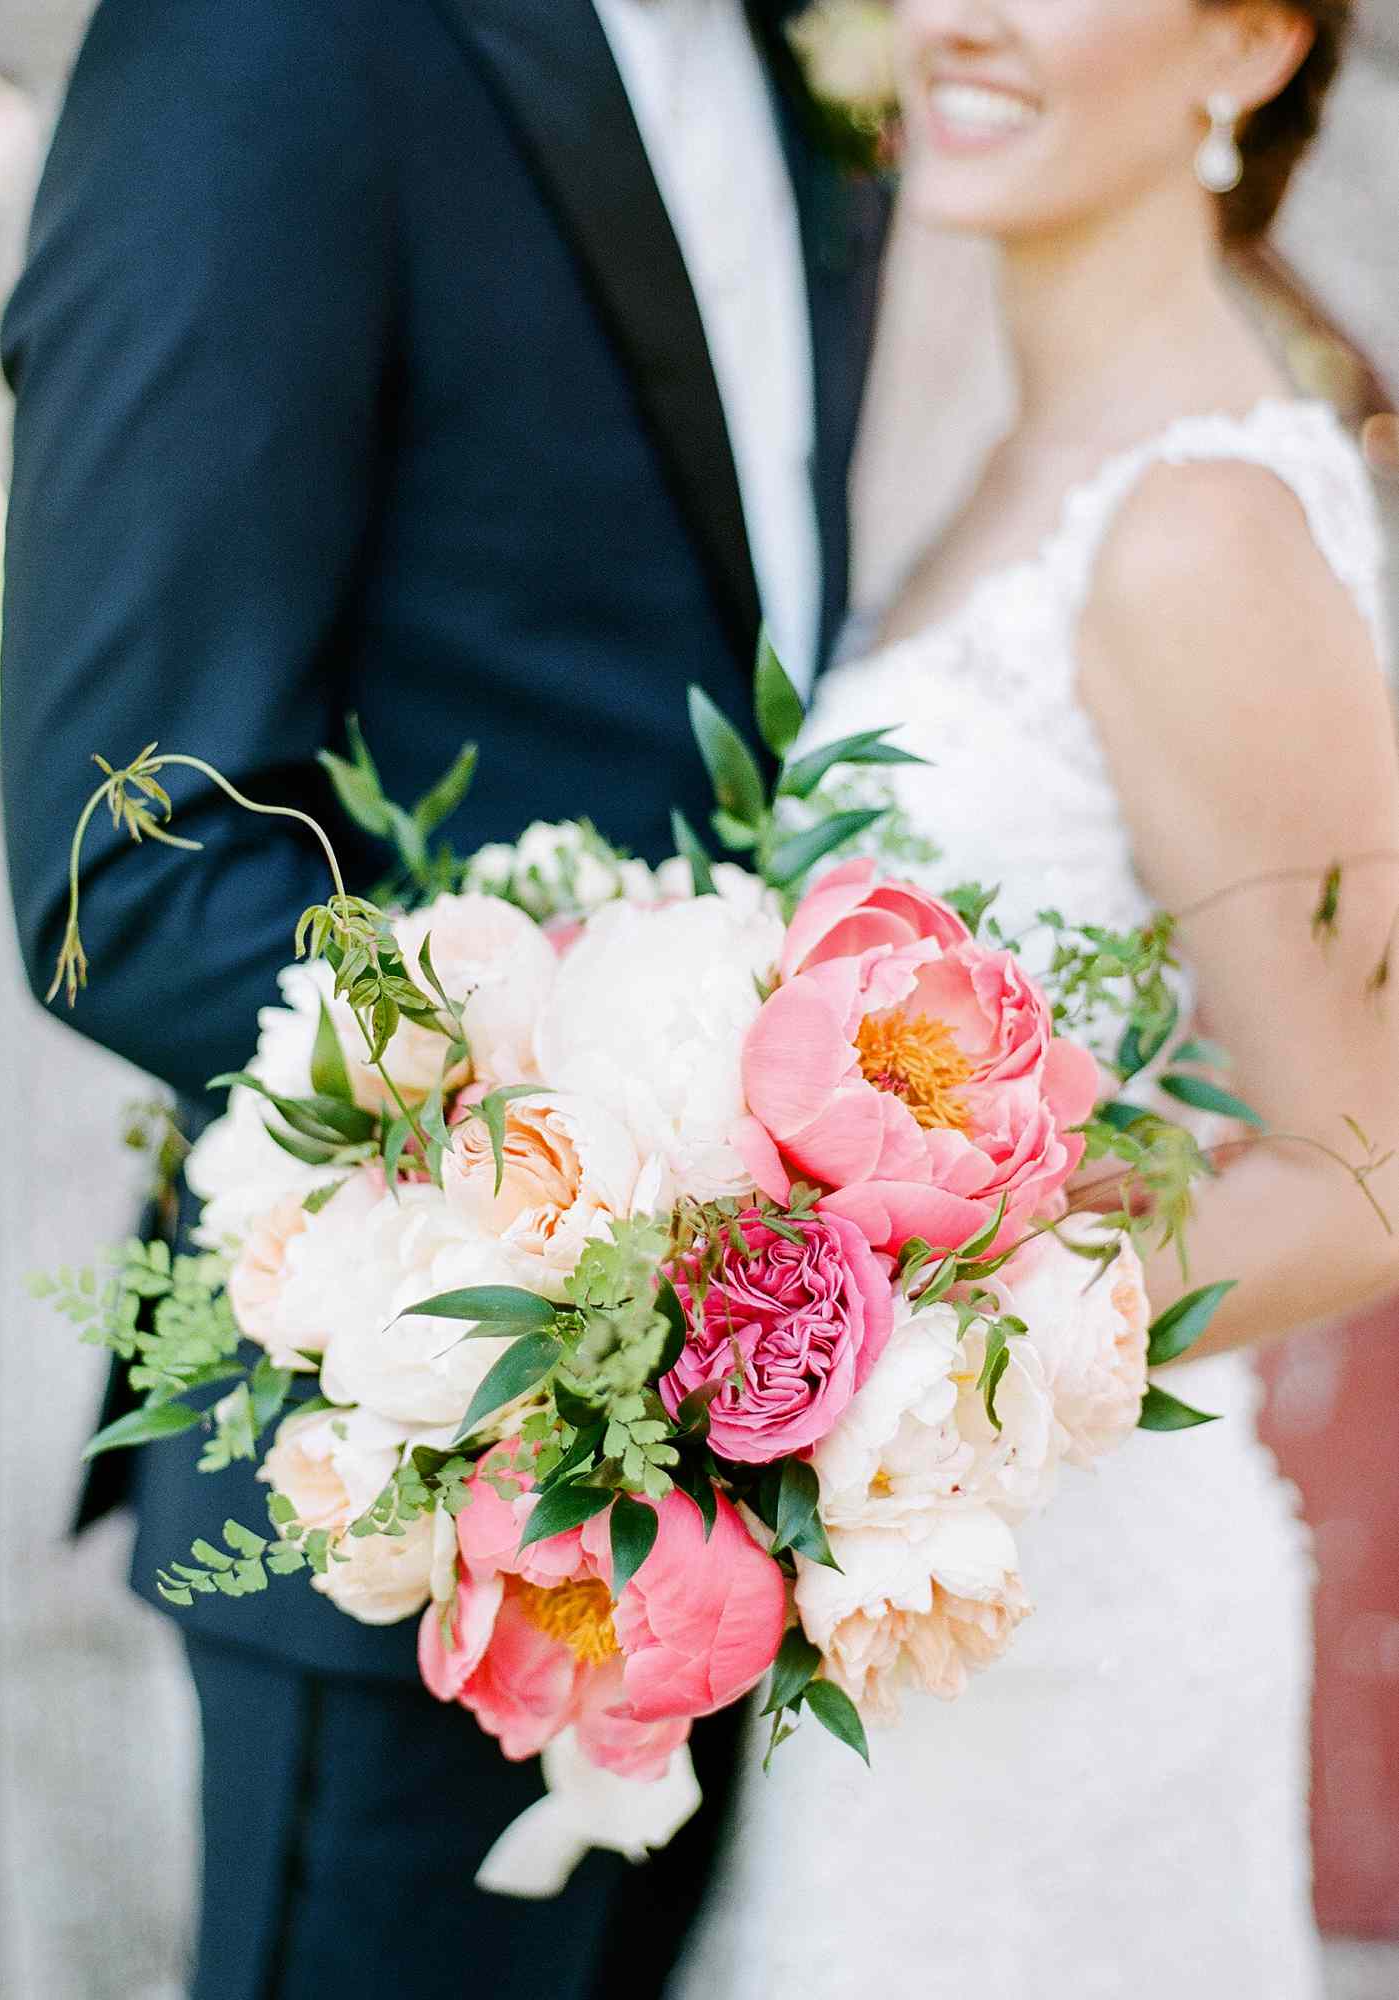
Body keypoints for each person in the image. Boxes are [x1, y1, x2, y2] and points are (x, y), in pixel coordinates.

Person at [0, 2, 888, 1994]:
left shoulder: (802, 63)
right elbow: (125, 875)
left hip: (791, 1506)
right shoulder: (267, 47)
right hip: (433, 1517)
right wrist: (659, 1186)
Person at [672, 2, 1399, 1995]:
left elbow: (1363, 1173)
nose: (957, 15)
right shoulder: (992, 467)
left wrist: (894, 1356)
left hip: (1064, 1628)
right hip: (906, 1613)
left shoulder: (1202, 530)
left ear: (1245, 48)